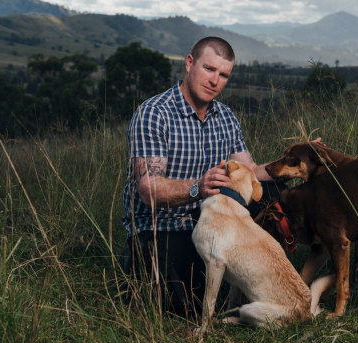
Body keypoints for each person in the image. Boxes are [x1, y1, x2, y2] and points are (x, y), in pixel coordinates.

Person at [120, 36, 283, 316]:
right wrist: (198, 187)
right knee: (184, 303)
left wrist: (296, 162)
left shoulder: (226, 117)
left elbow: (252, 172)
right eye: (209, 69)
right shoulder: (154, 113)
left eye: (223, 75)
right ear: (189, 63)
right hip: (164, 227)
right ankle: (148, 270)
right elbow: (149, 190)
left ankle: (271, 287)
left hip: (213, 221)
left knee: (276, 196)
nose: (215, 80)